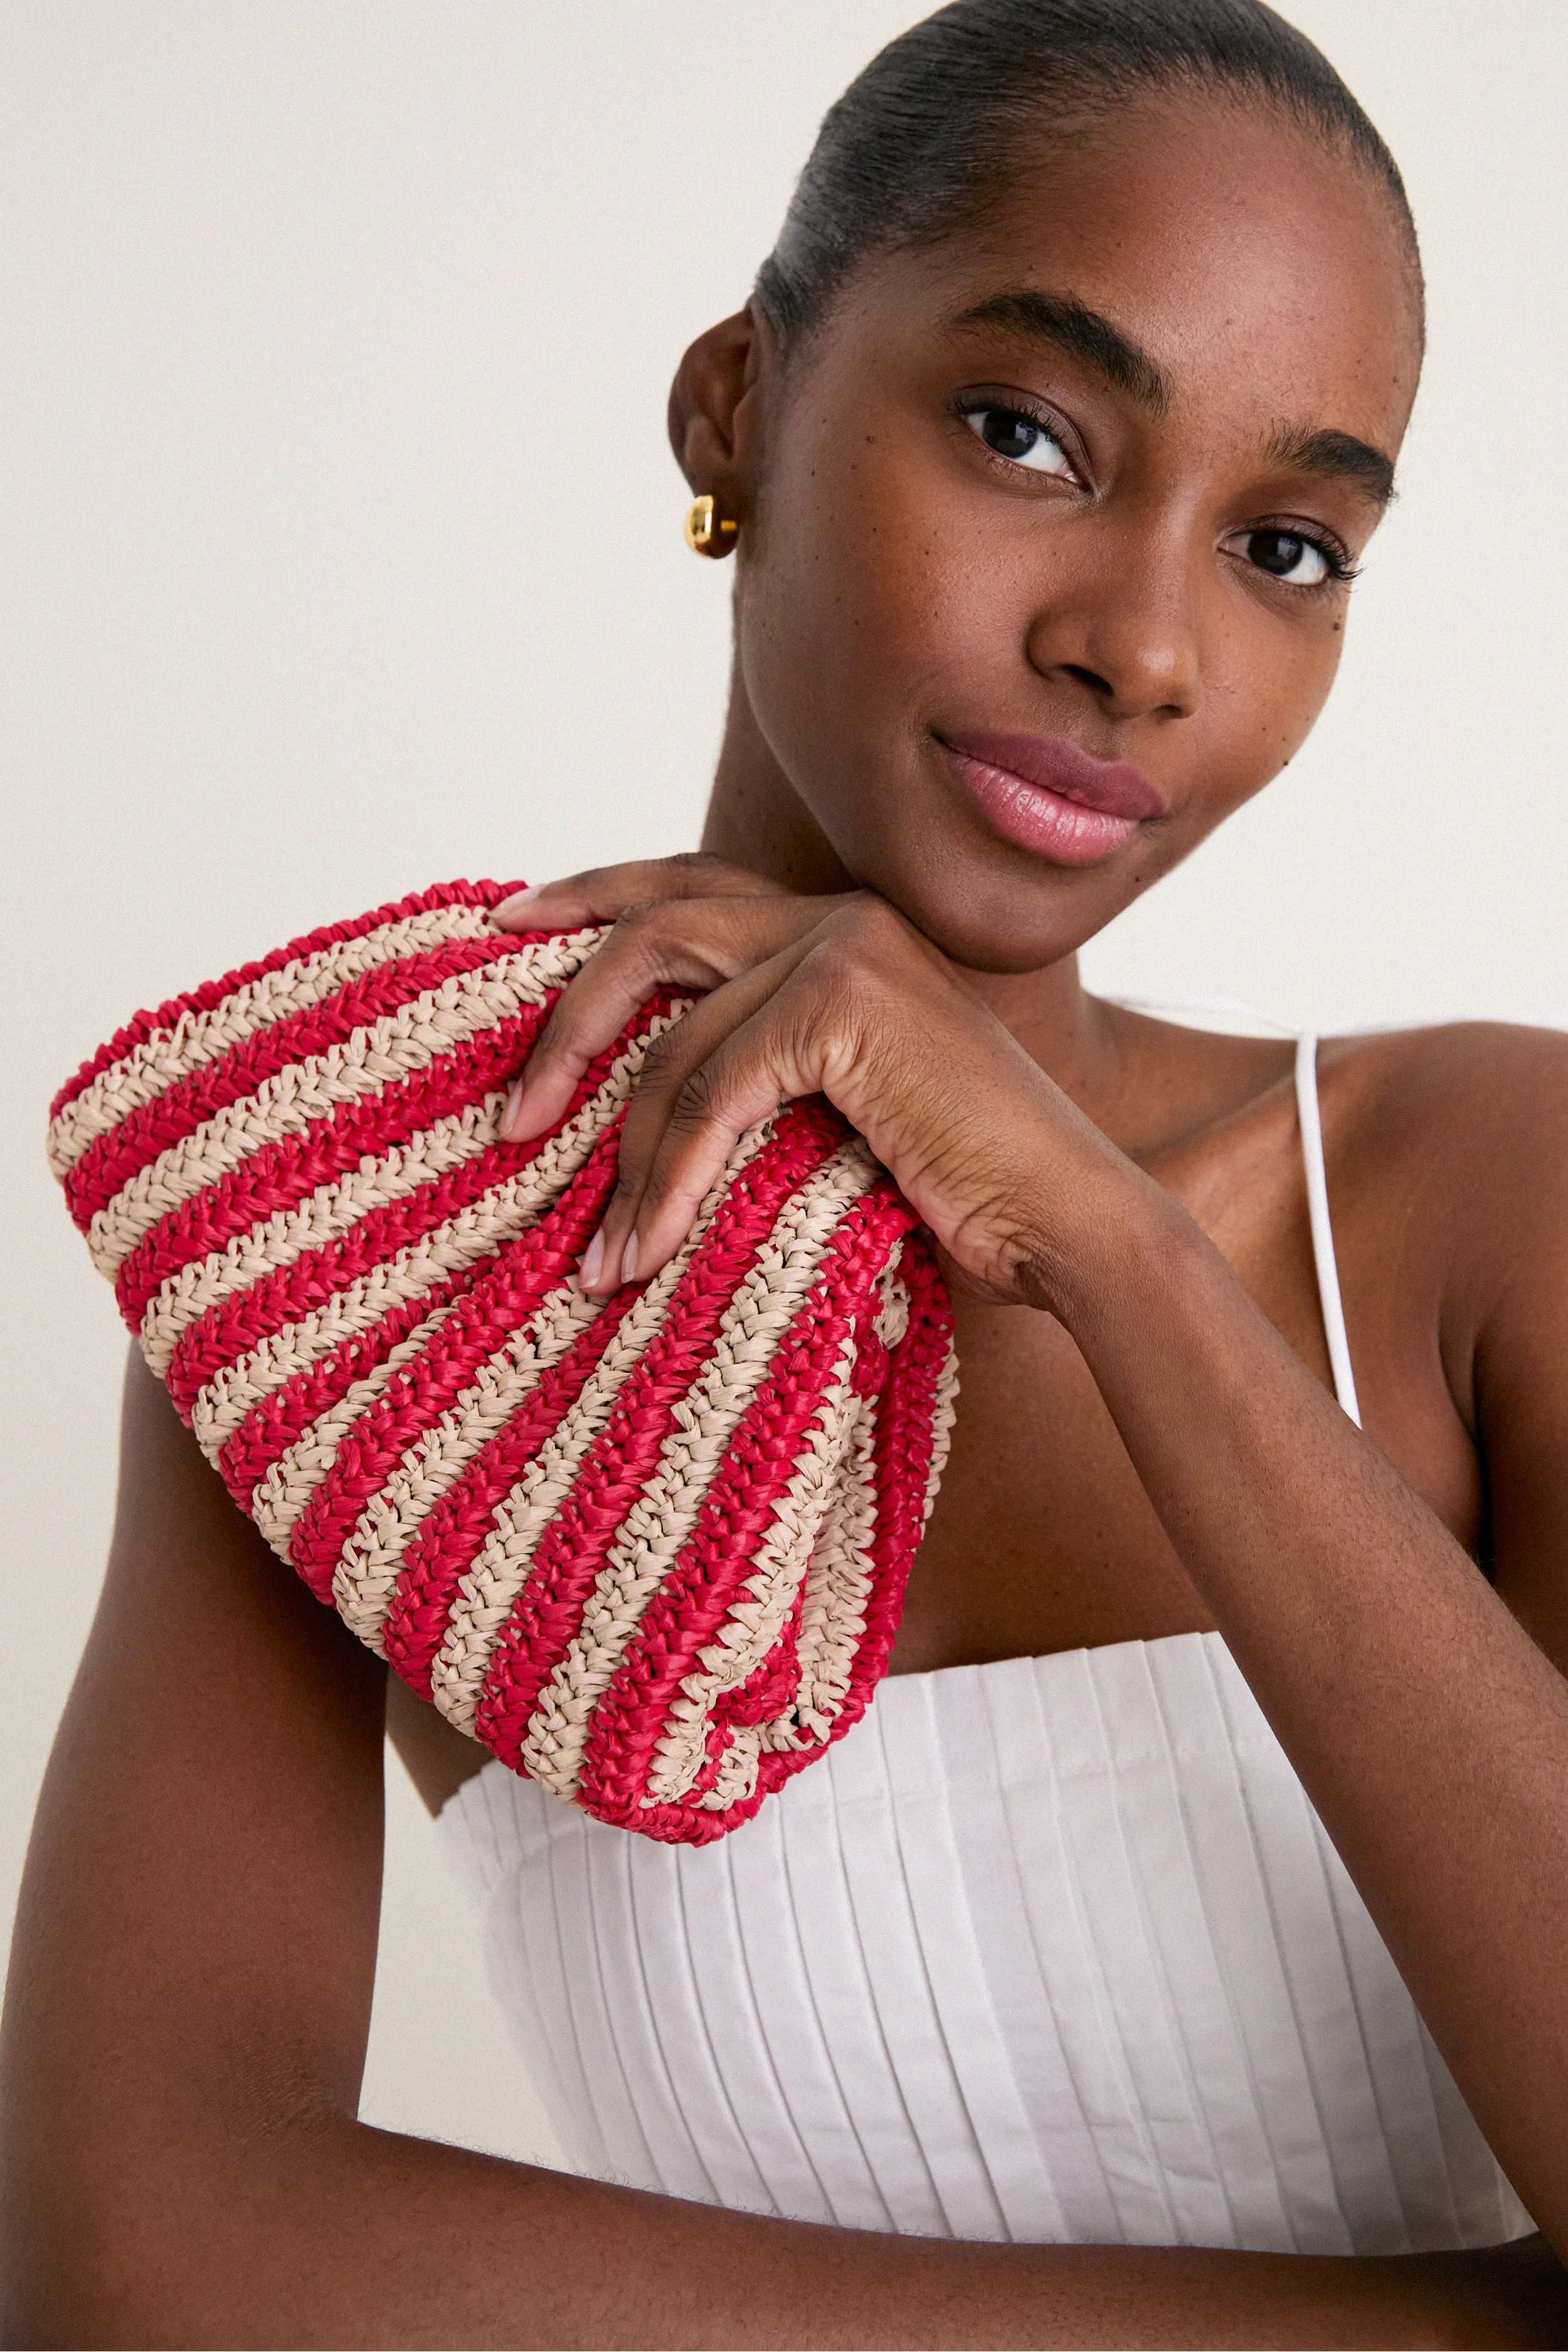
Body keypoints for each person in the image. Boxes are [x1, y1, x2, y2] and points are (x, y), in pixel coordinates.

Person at [4, 2, 1568, 2343]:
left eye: (1283, 545)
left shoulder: (1483, 1200)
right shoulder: (369, 1257)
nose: (1142, 644)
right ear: (735, 402)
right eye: (1028, 433)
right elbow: (141, 2265)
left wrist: (1099, 1242)